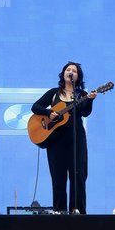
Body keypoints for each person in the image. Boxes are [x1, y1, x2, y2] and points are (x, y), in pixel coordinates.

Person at [31, 62, 97, 214]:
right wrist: (49, 113)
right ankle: (59, 210)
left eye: (74, 70)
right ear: (63, 74)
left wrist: (90, 100)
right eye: (68, 69)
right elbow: (35, 107)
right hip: (55, 141)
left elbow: (85, 113)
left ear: (78, 76)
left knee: (78, 175)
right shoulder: (54, 93)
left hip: (76, 140)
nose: (71, 72)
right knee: (58, 177)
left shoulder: (81, 95)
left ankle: (77, 209)